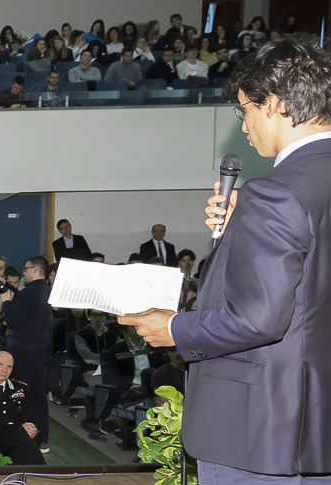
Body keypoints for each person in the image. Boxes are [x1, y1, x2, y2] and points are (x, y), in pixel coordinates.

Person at [120, 37, 331, 482]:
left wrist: (173, 328)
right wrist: (245, 226)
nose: (245, 123)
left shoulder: (275, 193)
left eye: (244, 109)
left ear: (272, 103)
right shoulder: (293, 193)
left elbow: (259, 319)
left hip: (261, 431)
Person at [1, 256, 53, 452]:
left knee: (20, 393)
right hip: (42, 348)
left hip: (24, 349)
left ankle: (24, 437)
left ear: (35, 269)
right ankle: (41, 437)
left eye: (26, 269)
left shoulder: (29, 292)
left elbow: (13, 319)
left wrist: (6, 302)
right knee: (38, 394)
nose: (24, 274)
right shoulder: (47, 290)